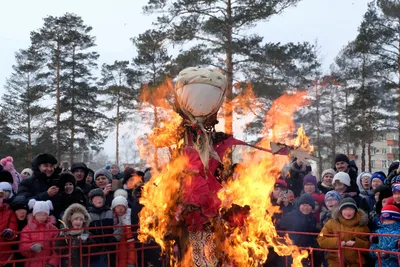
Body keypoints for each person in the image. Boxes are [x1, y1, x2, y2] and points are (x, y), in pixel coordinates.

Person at [317, 198, 370, 267]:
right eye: (345, 209)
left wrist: (356, 243)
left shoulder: (362, 225)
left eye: (351, 209)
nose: (348, 212)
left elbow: (369, 246)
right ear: (341, 210)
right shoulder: (331, 223)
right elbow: (320, 238)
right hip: (335, 262)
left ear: (355, 211)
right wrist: (337, 242)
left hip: (356, 263)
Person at [278, 193, 322, 266]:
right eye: (303, 205)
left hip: (308, 251)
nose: (305, 207)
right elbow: (279, 227)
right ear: (299, 206)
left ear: (312, 207)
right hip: (293, 251)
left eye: (308, 205)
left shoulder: (313, 218)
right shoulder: (291, 216)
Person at [19, 199, 59, 267]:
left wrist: (52, 263)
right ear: (34, 214)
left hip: (48, 264)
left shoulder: (53, 229)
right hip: (31, 264)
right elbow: (22, 248)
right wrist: (31, 247)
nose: (42, 217)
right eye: (39, 214)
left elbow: (57, 249)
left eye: (45, 214)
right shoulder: (27, 229)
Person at [88, 188, 119, 267]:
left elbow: (118, 225)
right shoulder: (88, 215)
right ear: (91, 201)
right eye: (95, 198)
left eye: (100, 198)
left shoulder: (110, 212)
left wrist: (115, 238)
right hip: (95, 249)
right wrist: (93, 239)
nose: (98, 200)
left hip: (111, 247)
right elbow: (86, 230)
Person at [111, 195, 137, 267]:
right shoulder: (113, 218)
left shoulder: (130, 217)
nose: (120, 209)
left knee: (130, 252)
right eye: (117, 206)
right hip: (118, 241)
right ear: (114, 208)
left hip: (129, 240)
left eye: (122, 206)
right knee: (120, 255)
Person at [0, 188, 18, 264]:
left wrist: (10, 233)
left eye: (0, 197)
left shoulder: (10, 212)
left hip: (5, 256)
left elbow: (13, 231)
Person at [10, 200, 29, 267]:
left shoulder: (29, 223)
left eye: (24, 210)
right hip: (13, 254)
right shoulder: (11, 223)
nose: (22, 213)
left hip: (26, 254)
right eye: (19, 210)